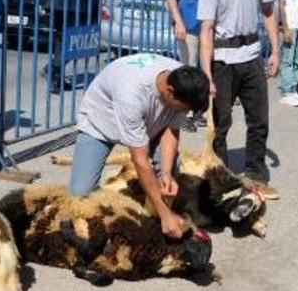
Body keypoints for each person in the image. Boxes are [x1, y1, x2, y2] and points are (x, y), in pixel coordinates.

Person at [69, 53, 209, 239]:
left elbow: (172, 130)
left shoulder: (182, 79)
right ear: (169, 92)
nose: (186, 113)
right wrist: (165, 214)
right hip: (101, 123)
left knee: (169, 172)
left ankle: (152, 221)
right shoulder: (131, 92)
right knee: (80, 193)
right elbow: (140, 160)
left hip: (150, 123)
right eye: (185, 109)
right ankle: (162, 215)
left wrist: (166, 172)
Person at [198, 0, 280, 185]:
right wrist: (207, 75)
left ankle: (255, 175)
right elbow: (206, 29)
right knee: (221, 125)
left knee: (259, 121)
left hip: (252, 56)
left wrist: (275, 51)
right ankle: (221, 179)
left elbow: (268, 11)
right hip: (223, 60)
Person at [163, 0, 215, 127]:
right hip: (190, 23)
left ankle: (196, 112)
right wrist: (178, 22)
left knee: (202, 71)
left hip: (206, 24)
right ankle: (179, 116)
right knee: (187, 71)